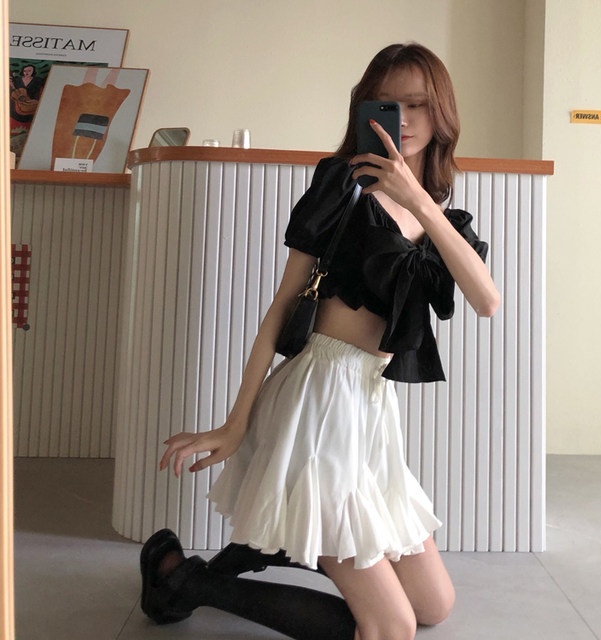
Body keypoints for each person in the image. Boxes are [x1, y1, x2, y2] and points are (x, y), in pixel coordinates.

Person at [140, 42, 500, 640]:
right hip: (316, 403)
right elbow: (283, 305)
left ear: (442, 114)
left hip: (371, 409)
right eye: (387, 104)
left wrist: (416, 198)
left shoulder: (439, 213)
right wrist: (235, 424)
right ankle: (188, 582)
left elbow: (487, 301)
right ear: (365, 110)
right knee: (391, 628)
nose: (403, 120)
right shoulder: (342, 186)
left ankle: (263, 550)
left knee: (434, 607)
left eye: (417, 104)